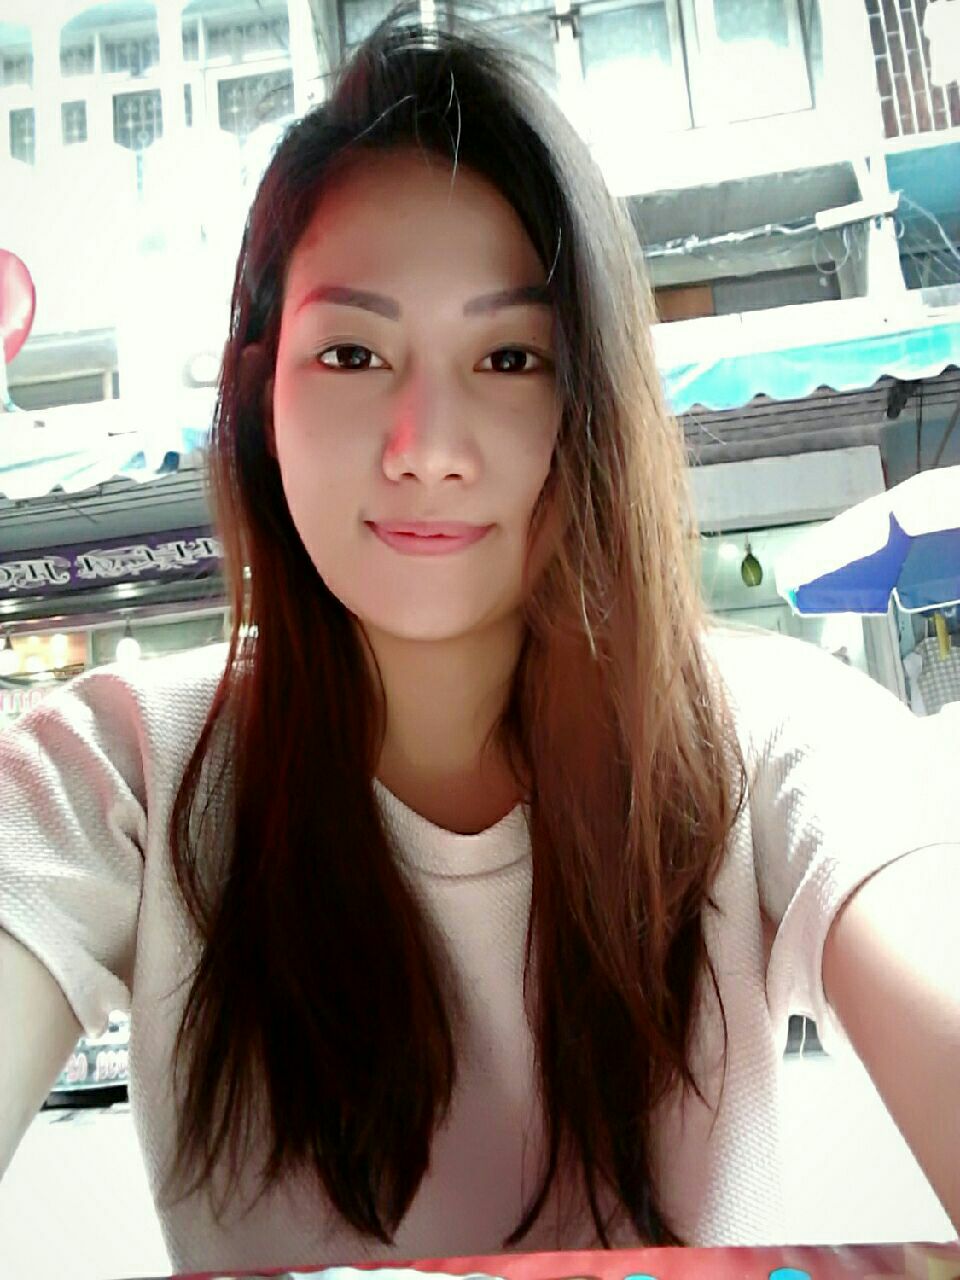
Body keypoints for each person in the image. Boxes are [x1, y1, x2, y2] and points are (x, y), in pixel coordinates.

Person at [1, 7, 958, 1275]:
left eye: (509, 356)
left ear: (589, 397)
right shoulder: (120, 773)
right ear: (260, 394)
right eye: (353, 351)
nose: (427, 447)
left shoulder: (774, 734)